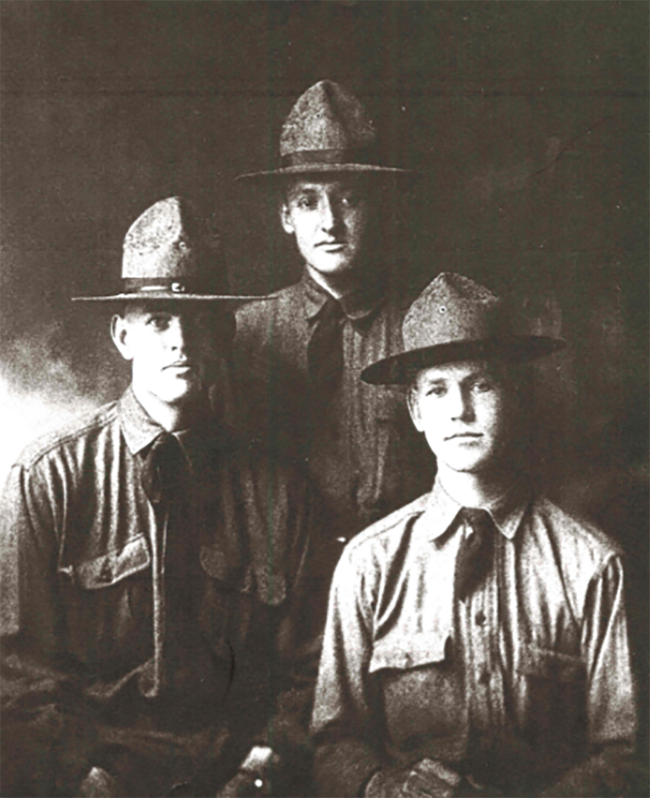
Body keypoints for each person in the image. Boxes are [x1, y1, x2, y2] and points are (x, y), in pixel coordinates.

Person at [0, 197, 324, 798]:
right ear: (122, 335)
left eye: (198, 321)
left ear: (224, 334)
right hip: (94, 775)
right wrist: (80, 773)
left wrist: (261, 769)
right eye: (158, 321)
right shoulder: (49, 478)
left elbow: (308, 671)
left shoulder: (280, 492)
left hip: (236, 774)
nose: (180, 340)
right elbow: (18, 672)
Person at [311, 272, 639, 797]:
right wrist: (384, 787)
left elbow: (625, 755)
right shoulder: (369, 563)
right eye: (438, 390)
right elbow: (332, 742)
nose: (460, 411)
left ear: (517, 396)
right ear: (416, 412)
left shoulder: (592, 564)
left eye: (481, 385)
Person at [233, 80, 432, 547]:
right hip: (280, 584)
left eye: (349, 199)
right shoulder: (243, 332)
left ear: (377, 206)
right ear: (285, 215)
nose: (330, 223)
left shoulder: (423, 326)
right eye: (308, 202)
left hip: (399, 576)